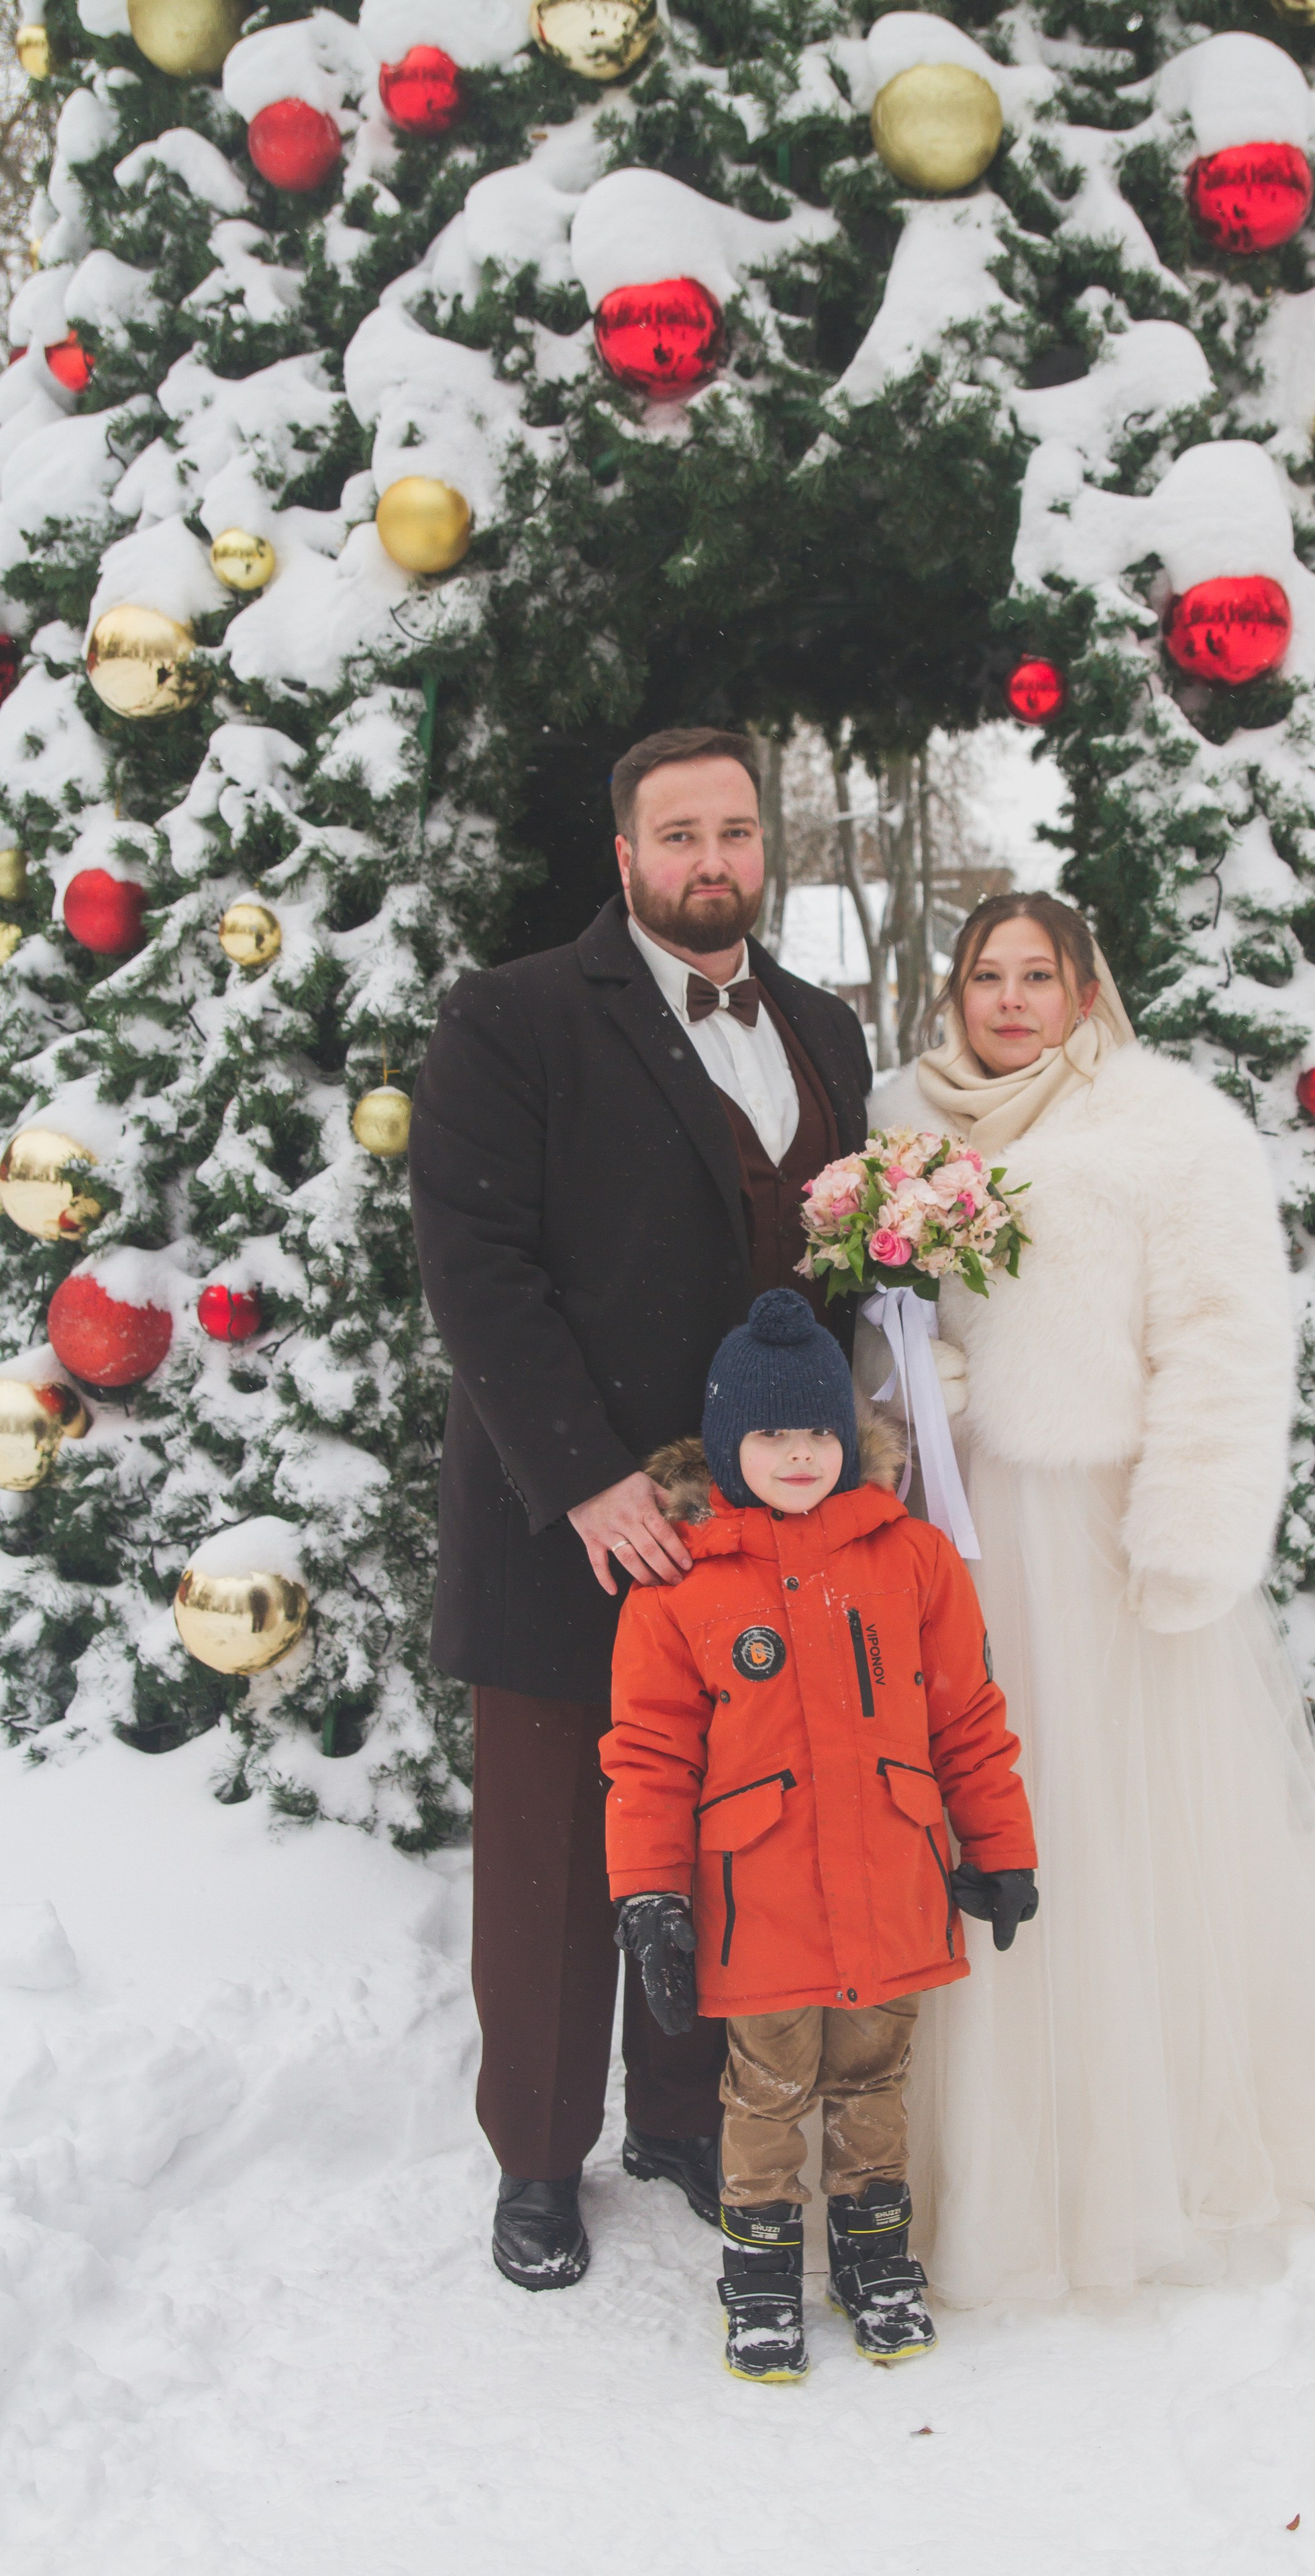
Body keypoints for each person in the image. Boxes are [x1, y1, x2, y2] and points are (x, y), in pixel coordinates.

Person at [865, 893, 1315, 2305]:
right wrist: (898, 1394)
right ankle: (972, 2159)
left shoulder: (1163, 1126)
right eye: (984, 977)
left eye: (1034, 976)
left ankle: (1129, 2157)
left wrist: (1191, 1527)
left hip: (1096, 1536)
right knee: (962, 1812)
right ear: (952, 995)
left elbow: (1223, 1333)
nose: (1007, 1002)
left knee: (1101, 1833)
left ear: (1081, 987)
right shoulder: (897, 1123)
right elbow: (877, 1318)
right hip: (951, 1527)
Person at [409, 729, 872, 2290]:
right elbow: (477, 1269)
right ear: (624, 858)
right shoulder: (516, 1015)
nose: (711, 860)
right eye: (678, 834)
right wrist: (589, 1481)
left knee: (730, 1836)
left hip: (759, 1536)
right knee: (553, 1856)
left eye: (735, 830)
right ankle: (538, 2162)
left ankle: (682, 2120)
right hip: (573, 1524)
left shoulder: (823, 1029)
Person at [600, 1289, 1038, 2379]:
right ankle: (758, 2272)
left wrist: (1001, 1846)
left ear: (849, 1440)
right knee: (765, 2090)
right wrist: (649, 1892)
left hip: (893, 1882)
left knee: (876, 2083)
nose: (796, 1456)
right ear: (725, 1443)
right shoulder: (679, 1585)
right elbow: (648, 1753)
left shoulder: (913, 1560)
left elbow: (966, 1716)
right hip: (765, 1901)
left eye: (815, 1433)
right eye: (770, 1434)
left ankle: (875, 2257)